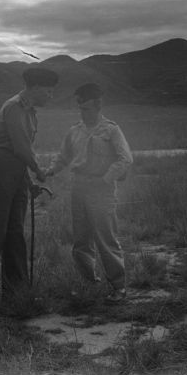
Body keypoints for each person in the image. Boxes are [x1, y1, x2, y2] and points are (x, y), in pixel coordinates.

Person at [46, 83, 133, 301]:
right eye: (81, 109)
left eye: (87, 109)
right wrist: (49, 171)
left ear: (98, 106)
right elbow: (64, 157)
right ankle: (89, 282)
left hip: (101, 190)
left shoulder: (111, 130)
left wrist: (106, 178)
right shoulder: (75, 131)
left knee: (106, 238)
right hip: (79, 188)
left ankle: (118, 287)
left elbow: (125, 159)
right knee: (81, 240)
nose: (83, 113)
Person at [0, 67, 59, 307]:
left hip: (15, 170)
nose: (50, 96)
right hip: (0, 168)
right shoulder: (15, 107)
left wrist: (27, 176)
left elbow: (22, 151)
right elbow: (21, 146)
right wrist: (38, 170)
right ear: (34, 88)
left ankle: (16, 295)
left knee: (15, 233)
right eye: (48, 90)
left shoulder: (29, 110)